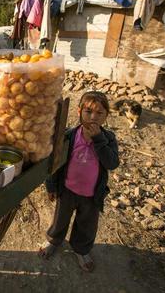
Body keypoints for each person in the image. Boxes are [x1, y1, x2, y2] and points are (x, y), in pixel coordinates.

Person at [39, 91, 119, 272]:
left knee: (86, 225)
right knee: (60, 219)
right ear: (78, 111)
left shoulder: (109, 139)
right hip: (66, 190)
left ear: (107, 116)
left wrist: (99, 140)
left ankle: (81, 250)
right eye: (88, 111)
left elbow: (112, 163)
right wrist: (51, 185)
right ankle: (53, 241)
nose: (93, 117)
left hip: (92, 195)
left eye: (99, 113)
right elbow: (55, 163)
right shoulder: (69, 136)